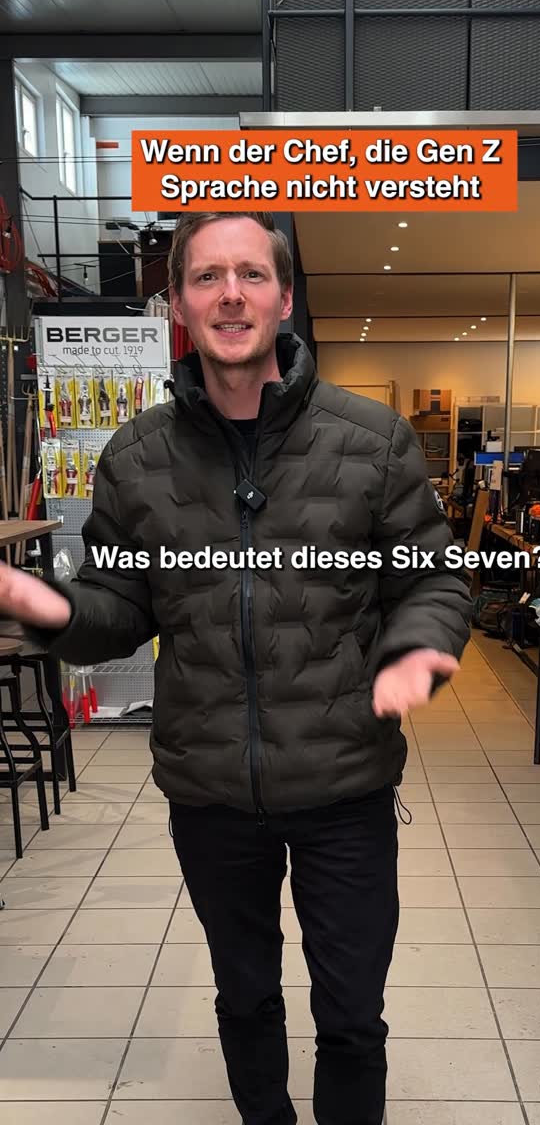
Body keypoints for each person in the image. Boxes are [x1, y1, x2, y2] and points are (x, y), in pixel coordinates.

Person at [0, 211, 472, 1125]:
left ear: (284, 299)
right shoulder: (135, 457)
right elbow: (120, 605)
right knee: (245, 998)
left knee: (351, 1016)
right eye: (206, 276)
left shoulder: (371, 440)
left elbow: (433, 580)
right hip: (212, 791)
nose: (230, 294)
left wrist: (417, 651)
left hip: (345, 782)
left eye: (252, 274)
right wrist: (52, 610)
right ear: (177, 301)